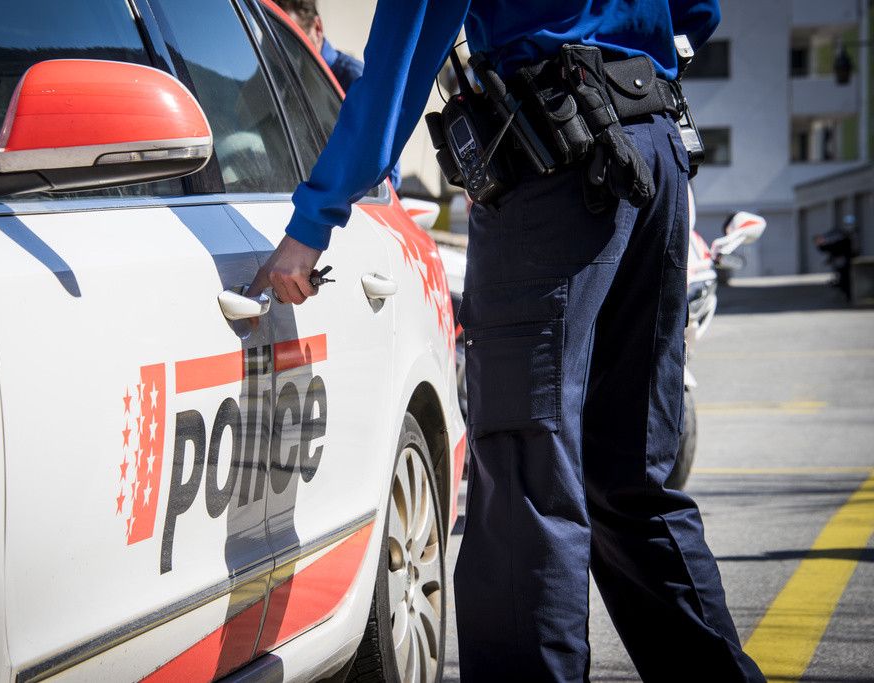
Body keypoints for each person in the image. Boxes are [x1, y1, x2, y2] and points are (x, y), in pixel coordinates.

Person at [250, 1, 767, 680]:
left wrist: (313, 221)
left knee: (527, 473)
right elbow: (699, 11)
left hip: (558, 162)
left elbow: (401, 62)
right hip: (655, 148)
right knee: (633, 479)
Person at [272, 0, 401, 190]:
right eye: (275, 43)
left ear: (317, 28)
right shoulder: (283, 83)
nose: (283, 55)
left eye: (291, 41)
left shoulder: (354, 81)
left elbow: (389, 177)